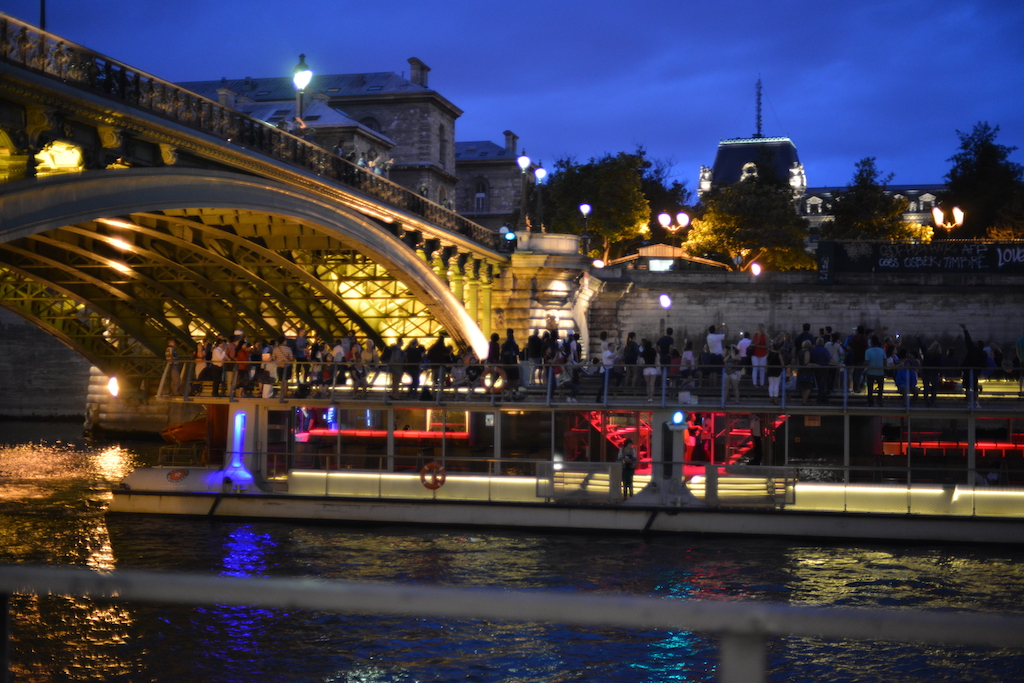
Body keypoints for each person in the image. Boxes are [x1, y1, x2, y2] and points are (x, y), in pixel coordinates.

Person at [864, 335, 887, 407]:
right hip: (880, 371)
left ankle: (870, 402)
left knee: (870, 388)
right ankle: (879, 400)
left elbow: (867, 361)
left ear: (871, 342)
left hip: (871, 371)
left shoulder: (868, 351)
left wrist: (863, 366)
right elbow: (885, 360)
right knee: (880, 388)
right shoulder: (882, 350)